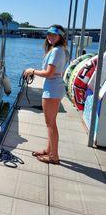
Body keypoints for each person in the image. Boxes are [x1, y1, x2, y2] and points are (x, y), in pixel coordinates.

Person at [23, 25, 68, 165]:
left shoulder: (56, 51)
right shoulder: (61, 50)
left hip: (52, 90)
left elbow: (48, 73)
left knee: (50, 124)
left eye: (54, 35)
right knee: (51, 122)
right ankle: (49, 150)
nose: (50, 36)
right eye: (49, 34)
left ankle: (54, 157)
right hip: (55, 88)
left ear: (60, 36)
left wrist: (32, 70)